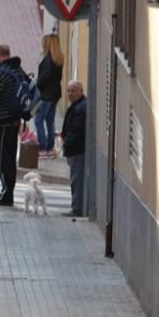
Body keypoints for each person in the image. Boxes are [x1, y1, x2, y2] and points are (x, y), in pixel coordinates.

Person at [0, 44, 29, 207]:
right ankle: (8, 191)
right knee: (10, 157)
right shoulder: (18, 71)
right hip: (14, 121)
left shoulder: (1, 73)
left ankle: (6, 194)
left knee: (3, 159)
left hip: (1, 122)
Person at [34, 34, 64, 158]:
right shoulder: (59, 58)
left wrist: (37, 85)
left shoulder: (47, 60)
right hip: (56, 93)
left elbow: (43, 79)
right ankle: (50, 148)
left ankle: (42, 148)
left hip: (46, 94)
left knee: (38, 120)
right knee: (50, 121)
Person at [60, 81, 87, 218]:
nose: (70, 94)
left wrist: (66, 144)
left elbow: (76, 131)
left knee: (77, 180)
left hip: (77, 150)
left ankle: (77, 208)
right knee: (76, 179)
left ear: (81, 91)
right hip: (75, 149)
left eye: (73, 91)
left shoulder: (81, 108)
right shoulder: (78, 106)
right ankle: (77, 206)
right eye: (68, 91)